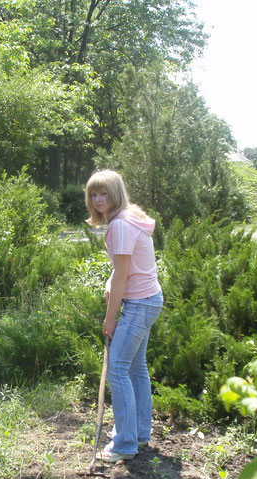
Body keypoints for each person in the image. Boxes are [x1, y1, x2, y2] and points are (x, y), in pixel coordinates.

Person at [85, 170, 163, 462]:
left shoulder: (120, 224)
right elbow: (122, 269)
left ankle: (125, 444)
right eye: (93, 194)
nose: (98, 200)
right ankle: (138, 433)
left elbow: (121, 275)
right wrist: (111, 282)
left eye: (104, 193)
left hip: (139, 304)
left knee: (117, 368)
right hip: (148, 300)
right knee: (135, 368)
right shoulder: (131, 216)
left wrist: (110, 318)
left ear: (116, 194)